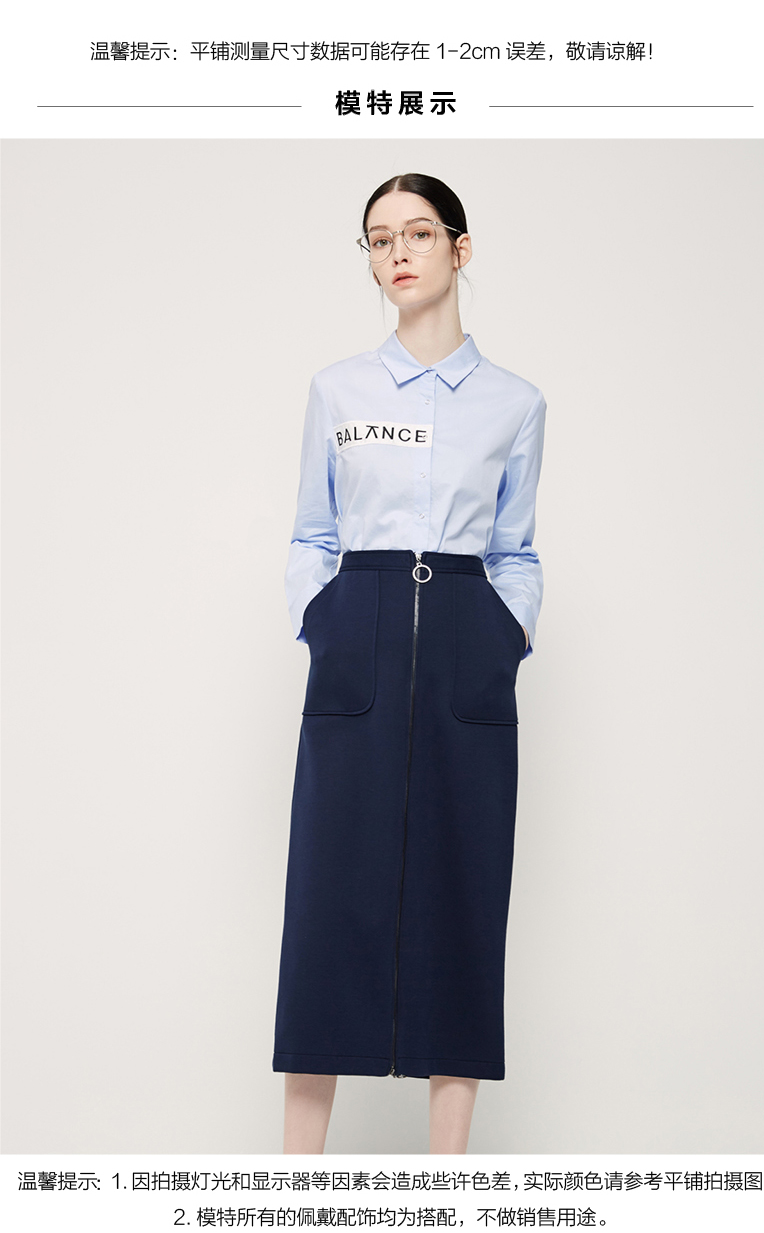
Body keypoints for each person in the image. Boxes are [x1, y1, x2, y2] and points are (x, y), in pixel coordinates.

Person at [272, 173, 547, 1155]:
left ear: (459, 249)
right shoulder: (337, 390)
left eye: (419, 233)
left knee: (462, 895)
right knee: (327, 898)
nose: (398, 252)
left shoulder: (516, 403)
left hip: (470, 643)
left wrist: (506, 632)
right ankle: (296, 1182)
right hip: (361, 633)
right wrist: (327, 619)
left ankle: (447, 1184)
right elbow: (313, 532)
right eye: (380, 238)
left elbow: (515, 547)